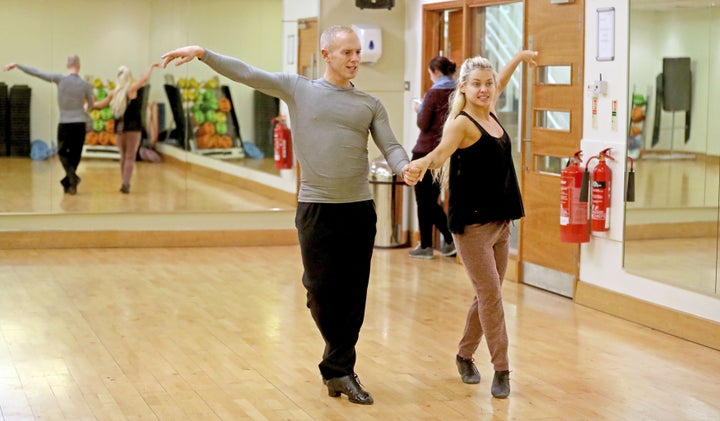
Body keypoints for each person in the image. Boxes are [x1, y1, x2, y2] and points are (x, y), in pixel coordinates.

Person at [160, 25, 418, 406]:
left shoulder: (369, 104)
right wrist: (204, 53)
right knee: (321, 293)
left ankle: (340, 370)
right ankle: (337, 362)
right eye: (346, 52)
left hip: (359, 210)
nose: (354, 59)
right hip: (316, 208)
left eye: (357, 52)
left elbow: (392, 145)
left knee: (353, 295)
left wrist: (404, 167)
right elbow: (248, 73)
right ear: (326, 54)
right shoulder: (299, 89)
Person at [408, 50, 538, 399]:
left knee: (487, 295)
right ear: (463, 88)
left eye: (488, 84)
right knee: (492, 296)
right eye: (476, 84)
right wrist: (417, 166)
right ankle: (502, 369)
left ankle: (464, 355)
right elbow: (438, 155)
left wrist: (520, 57)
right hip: (472, 227)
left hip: (500, 222)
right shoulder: (462, 123)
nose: (484, 89)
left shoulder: (491, 111)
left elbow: (503, 80)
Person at [3, 55, 94, 195]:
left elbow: (37, 73)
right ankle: (71, 180)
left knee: (62, 153)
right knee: (75, 155)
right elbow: (91, 105)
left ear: (67, 65)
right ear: (79, 66)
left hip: (64, 124)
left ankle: (71, 180)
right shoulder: (85, 85)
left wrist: (17, 65)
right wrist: (84, 108)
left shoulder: (60, 79)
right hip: (79, 124)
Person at [409, 56, 457, 260]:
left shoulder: (434, 93)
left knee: (424, 200)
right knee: (431, 200)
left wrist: (418, 108)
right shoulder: (458, 93)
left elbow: (423, 123)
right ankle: (440, 242)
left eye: (430, 74)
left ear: (436, 72)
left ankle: (440, 240)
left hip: (425, 152)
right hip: (447, 153)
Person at [93, 62, 161, 194]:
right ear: (129, 77)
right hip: (133, 130)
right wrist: (151, 66)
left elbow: (100, 105)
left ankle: (123, 181)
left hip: (119, 130)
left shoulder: (114, 93)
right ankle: (125, 184)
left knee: (123, 157)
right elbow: (145, 79)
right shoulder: (131, 90)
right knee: (130, 157)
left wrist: (88, 105)